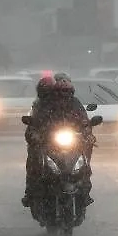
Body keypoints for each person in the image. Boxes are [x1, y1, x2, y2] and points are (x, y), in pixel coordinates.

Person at [22, 77, 93, 207]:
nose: (64, 95)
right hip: (48, 143)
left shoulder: (75, 104)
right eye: (61, 92)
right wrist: (37, 135)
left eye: (67, 91)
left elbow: (83, 120)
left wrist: (87, 133)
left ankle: (85, 192)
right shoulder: (44, 105)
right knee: (33, 162)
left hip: (71, 142)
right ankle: (31, 192)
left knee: (84, 164)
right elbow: (33, 125)